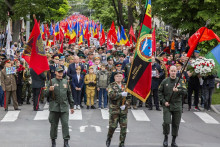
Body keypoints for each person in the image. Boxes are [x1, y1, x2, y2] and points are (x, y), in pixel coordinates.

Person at [158, 66, 187, 147]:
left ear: (176, 72)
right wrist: (164, 102)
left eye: (175, 71)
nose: (173, 72)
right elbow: (160, 92)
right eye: (172, 71)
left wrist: (178, 90)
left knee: (176, 123)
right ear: (169, 71)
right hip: (167, 105)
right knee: (166, 122)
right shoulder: (165, 81)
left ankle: (173, 141)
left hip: (177, 105)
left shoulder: (180, 81)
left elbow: (185, 92)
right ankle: (166, 138)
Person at [46, 66, 74, 147]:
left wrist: (71, 106)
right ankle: (53, 141)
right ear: (55, 72)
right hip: (54, 107)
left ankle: (66, 142)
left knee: (65, 124)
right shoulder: (51, 81)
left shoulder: (66, 82)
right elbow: (44, 94)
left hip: (64, 107)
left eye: (61, 72)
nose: (60, 73)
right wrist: (49, 90)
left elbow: (69, 94)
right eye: (59, 72)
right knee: (54, 125)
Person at [106, 71, 131, 147]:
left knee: (124, 128)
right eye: (117, 76)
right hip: (114, 110)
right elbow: (111, 95)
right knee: (113, 126)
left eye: (120, 76)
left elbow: (129, 98)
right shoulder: (111, 85)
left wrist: (126, 104)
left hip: (123, 111)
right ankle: (109, 137)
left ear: (122, 77)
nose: (118, 78)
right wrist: (121, 94)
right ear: (114, 77)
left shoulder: (125, 86)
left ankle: (122, 143)